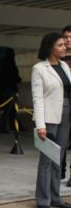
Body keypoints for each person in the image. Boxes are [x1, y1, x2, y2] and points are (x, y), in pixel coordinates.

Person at [32, 32, 71, 208]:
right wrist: (40, 124)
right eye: (60, 45)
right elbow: (37, 98)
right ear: (50, 48)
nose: (64, 47)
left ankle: (56, 198)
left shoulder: (64, 66)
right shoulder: (39, 69)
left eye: (64, 45)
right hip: (49, 118)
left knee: (59, 158)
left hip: (66, 115)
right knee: (47, 160)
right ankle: (43, 201)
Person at [0, 48, 22, 133]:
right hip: (11, 90)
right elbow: (15, 77)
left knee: (12, 110)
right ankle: (4, 127)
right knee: (9, 110)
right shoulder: (11, 63)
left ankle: (14, 126)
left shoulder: (2, 63)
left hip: (4, 90)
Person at [60, 25, 71, 185]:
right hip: (61, 104)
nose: (68, 40)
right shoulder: (56, 57)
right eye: (66, 37)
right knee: (59, 141)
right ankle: (59, 171)